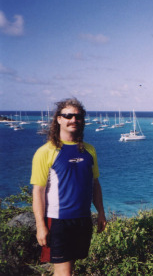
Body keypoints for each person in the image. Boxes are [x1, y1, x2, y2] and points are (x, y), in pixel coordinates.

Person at [30, 98, 106, 275]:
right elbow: (38, 191)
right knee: (63, 272)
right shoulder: (45, 152)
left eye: (78, 116)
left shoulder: (89, 150)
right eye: (68, 116)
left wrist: (101, 212)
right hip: (58, 221)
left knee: (70, 270)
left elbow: (95, 184)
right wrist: (41, 226)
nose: (73, 120)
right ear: (59, 119)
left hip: (83, 219)